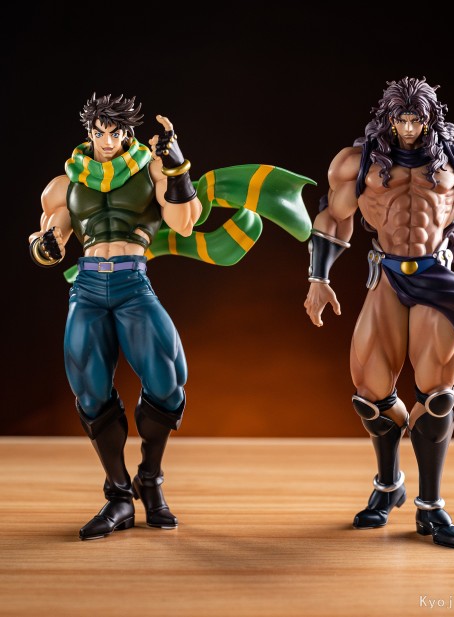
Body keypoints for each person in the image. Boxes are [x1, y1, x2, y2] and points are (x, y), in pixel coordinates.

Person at [29, 93, 314, 541]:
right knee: (89, 388)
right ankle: (119, 496)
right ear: (89, 133)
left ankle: (150, 478)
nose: (109, 141)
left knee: (168, 378)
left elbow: (184, 222)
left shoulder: (151, 170)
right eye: (101, 133)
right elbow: (50, 236)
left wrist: (178, 168)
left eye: (117, 133)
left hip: (131, 282)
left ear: (129, 133)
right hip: (87, 287)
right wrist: (44, 247)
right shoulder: (65, 183)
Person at [303, 77, 454, 549]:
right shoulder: (357, 163)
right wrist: (318, 278)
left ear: (430, 119)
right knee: (370, 395)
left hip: (436, 277)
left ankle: (431, 506)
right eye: (401, 119)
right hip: (386, 275)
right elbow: (334, 218)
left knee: (437, 396)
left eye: (416, 119)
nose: (408, 128)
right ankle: (389, 486)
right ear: (388, 119)